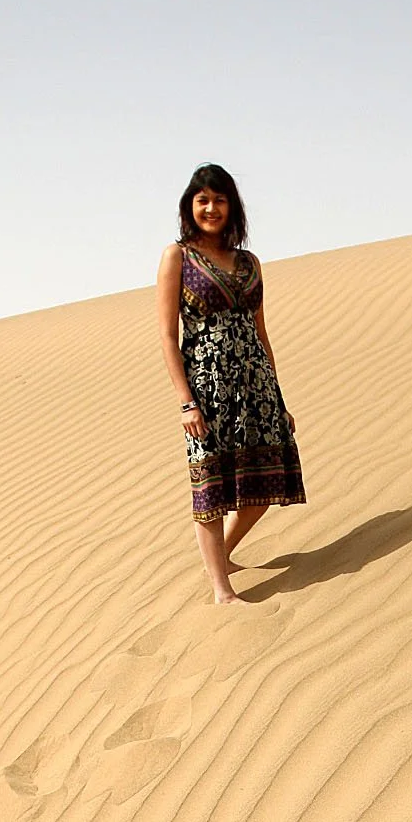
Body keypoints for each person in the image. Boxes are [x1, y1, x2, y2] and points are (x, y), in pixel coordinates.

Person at [156, 164, 306, 604]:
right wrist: (187, 402)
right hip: (207, 387)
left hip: (256, 386)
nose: (211, 208)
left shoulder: (249, 263)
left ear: (232, 206)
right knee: (211, 487)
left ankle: (220, 553)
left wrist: (278, 399)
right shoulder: (177, 257)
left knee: (263, 485)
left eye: (219, 199)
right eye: (202, 200)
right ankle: (222, 590)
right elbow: (167, 334)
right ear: (190, 206)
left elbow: (262, 333)